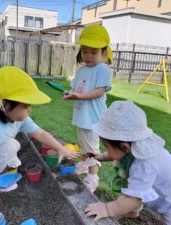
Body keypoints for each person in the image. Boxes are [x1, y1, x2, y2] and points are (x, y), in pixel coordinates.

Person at [0, 66, 78, 189]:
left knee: (13, 145)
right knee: (11, 145)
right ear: (7, 106)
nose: (30, 109)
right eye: (25, 106)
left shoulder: (17, 118)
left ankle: (2, 168)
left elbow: (40, 134)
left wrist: (60, 148)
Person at [84, 101, 171, 225]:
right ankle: (132, 212)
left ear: (125, 147)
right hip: (159, 184)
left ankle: (132, 210)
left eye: (106, 147)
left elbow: (133, 198)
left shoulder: (144, 164)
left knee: (136, 193)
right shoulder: (134, 144)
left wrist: (108, 209)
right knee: (134, 186)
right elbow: (115, 153)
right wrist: (102, 156)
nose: (106, 150)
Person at [63, 24, 113, 193]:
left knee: (92, 147)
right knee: (84, 143)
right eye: (85, 51)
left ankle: (93, 177)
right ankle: (85, 164)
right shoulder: (81, 70)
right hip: (82, 115)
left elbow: (99, 91)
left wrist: (78, 96)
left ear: (104, 52)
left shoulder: (103, 69)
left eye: (94, 52)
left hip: (93, 117)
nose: (88, 56)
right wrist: (70, 93)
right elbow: (77, 89)